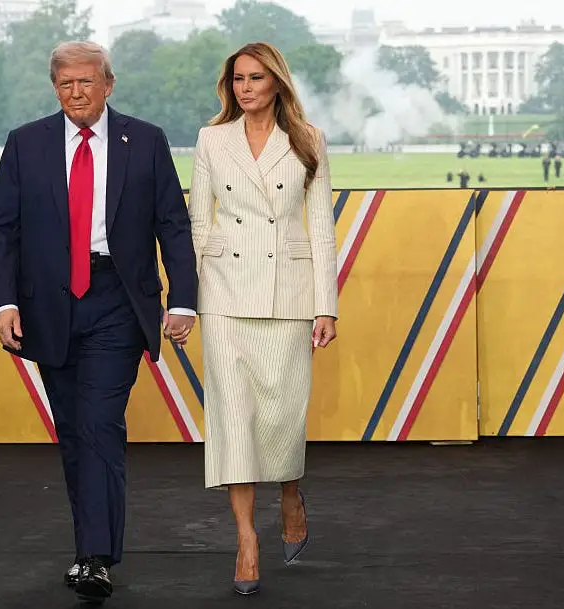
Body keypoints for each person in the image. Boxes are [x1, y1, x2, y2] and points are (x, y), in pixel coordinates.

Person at [0, 40, 198, 604]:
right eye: (65, 83)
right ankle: (90, 547)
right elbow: (2, 230)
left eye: (86, 81)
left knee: (100, 424)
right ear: (55, 87)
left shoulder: (145, 140)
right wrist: (2, 303)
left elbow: (173, 223)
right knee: (75, 431)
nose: (76, 92)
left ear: (108, 83)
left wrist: (183, 300)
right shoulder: (25, 143)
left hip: (117, 302)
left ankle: (94, 557)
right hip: (47, 307)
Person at [187, 42, 339, 595]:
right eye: (237, 79)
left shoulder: (308, 140)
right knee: (232, 420)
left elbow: (320, 227)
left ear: (276, 82)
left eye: (255, 78)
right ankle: (246, 541)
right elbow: (198, 223)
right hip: (225, 292)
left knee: (281, 418)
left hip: (288, 293)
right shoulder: (211, 139)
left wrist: (327, 304)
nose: (245, 88)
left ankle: (291, 492)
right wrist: (187, 297)